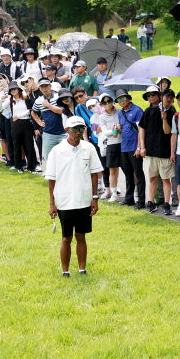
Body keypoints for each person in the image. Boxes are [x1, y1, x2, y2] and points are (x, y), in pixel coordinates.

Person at [46, 116, 103, 277]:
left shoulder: (89, 148)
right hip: (65, 200)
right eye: (75, 129)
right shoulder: (57, 151)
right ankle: (65, 270)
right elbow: (52, 179)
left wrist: (95, 197)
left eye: (81, 129)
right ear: (67, 130)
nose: (78, 132)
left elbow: (94, 174)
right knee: (66, 237)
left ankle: (82, 269)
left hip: (84, 199)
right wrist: (52, 203)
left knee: (81, 236)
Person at [138, 86, 176, 214]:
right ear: (162, 97)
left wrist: (164, 118)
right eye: (167, 97)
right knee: (152, 178)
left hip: (164, 152)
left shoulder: (172, 113)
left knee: (166, 179)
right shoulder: (149, 110)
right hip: (150, 151)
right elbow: (141, 128)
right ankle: (151, 202)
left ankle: (166, 203)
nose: (169, 99)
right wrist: (142, 146)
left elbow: (167, 132)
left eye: (171, 98)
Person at [116, 89, 146, 209]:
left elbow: (141, 130)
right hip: (124, 147)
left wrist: (139, 147)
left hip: (135, 147)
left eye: (123, 98)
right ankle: (129, 198)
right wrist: (118, 128)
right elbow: (122, 131)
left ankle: (141, 201)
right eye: (119, 99)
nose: (122, 101)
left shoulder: (137, 110)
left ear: (129, 98)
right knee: (128, 174)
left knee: (138, 174)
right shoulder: (120, 113)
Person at [0, 80, 35, 173]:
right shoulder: (10, 100)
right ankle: (18, 166)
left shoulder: (25, 98)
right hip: (15, 124)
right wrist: (2, 98)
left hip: (26, 123)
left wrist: (19, 116)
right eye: (11, 90)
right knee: (17, 145)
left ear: (19, 89)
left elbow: (30, 110)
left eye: (14, 89)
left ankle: (31, 167)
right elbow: (1, 107)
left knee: (29, 145)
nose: (13, 91)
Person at [31, 78, 66, 163]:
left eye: (46, 86)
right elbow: (33, 113)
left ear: (50, 86)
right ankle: (50, 174)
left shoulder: (58, 97)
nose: (44, 88)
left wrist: (48, 105)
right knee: (49, 157)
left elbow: (62, 111)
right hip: (48, 133)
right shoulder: (39, 101)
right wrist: (39, 122)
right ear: (39, 88)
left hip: (63, 132)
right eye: (42, 87)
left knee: (64, 157)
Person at [95, 93, 122, 202]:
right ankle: (114, 194)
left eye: (109, 101)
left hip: (123, 143)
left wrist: (120, 127)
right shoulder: (101, 117)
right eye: (104, 102)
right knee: (112, 170)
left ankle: (134, 193)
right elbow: (104, 132)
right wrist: (114, 130)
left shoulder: (120, 112)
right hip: (111, 144)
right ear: (101, 105)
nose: (107, 103)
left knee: (129, 170)